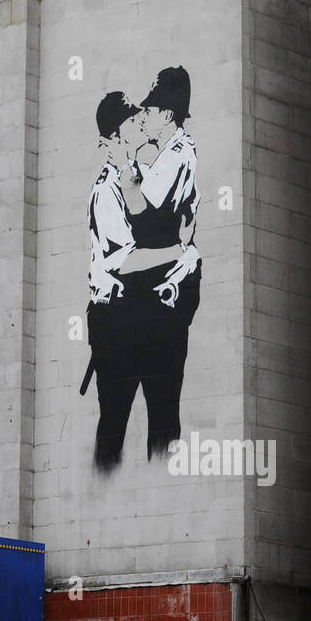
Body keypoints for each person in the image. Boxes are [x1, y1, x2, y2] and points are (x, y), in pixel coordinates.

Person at [82, 89, 195, 472]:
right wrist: (177, 251)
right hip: (114, 321)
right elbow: (125, 262)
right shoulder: (105, 191)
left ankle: (167, 493)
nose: (140, 121)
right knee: (115, 422)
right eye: (131, 120)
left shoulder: (140, 179)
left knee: (164, 421)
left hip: (151, 315)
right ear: (114, 138)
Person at [118, 66, 202, 460]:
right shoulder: (170, 155)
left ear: (166, 115)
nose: (144, 117)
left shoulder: (175, 156)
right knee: (159, 397)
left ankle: (161, 462)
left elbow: (141, 213)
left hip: (165, 288)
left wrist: (125, 171)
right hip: (162, 282)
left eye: (149, 111)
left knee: (161, 401)